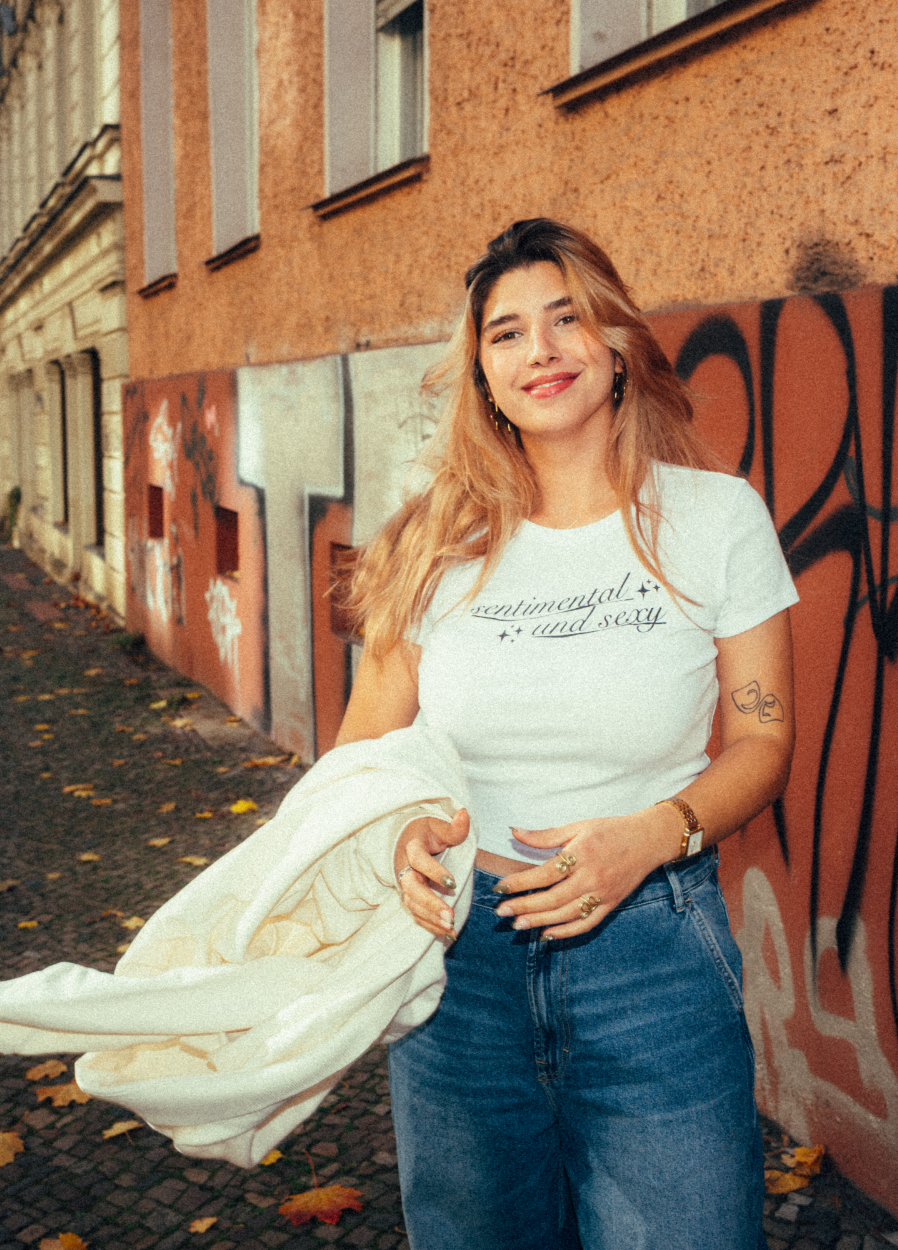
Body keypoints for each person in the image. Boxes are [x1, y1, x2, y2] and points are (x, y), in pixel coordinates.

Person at [336, 219, 796, 1250]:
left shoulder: (716, 518)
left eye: (566, 317)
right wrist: (386, 834)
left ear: (618, 341)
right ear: (482, 373)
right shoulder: (430, 542)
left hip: (653, 954)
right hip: (458, 960)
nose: (539, 349)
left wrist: (652, 835)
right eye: (506, 333)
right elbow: (359, 754)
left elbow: (762, 744)